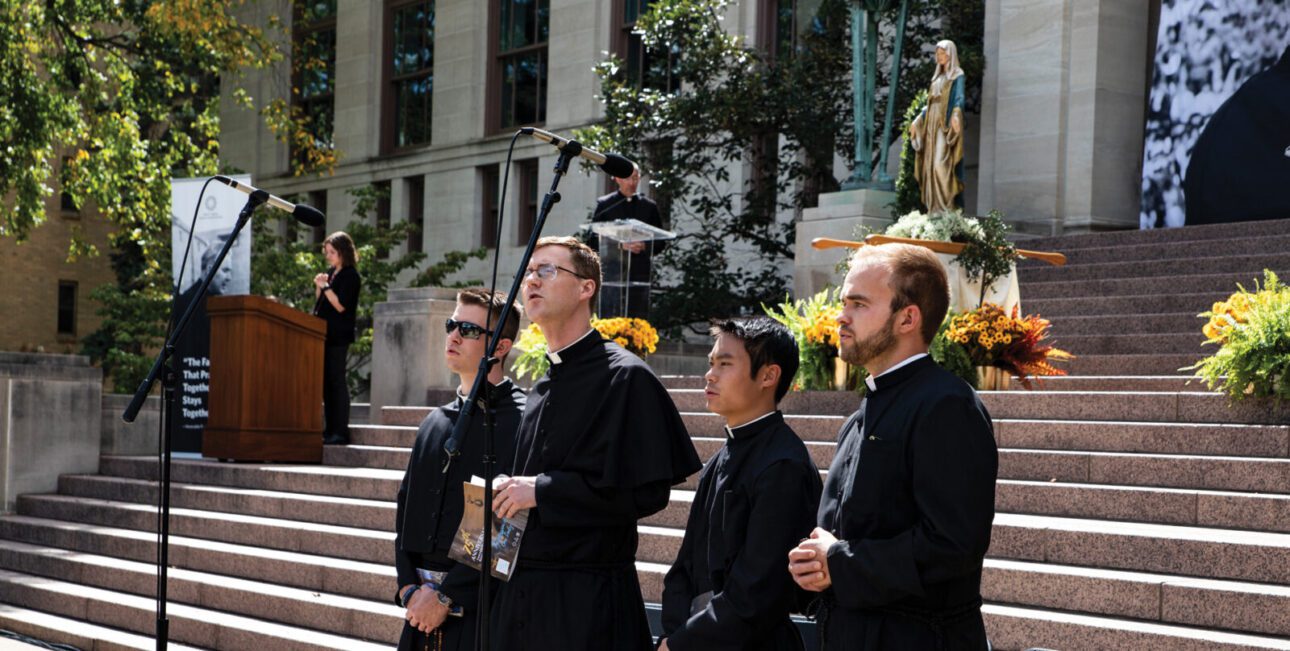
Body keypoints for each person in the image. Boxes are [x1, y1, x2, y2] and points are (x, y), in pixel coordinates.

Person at [488, 236, 701, 650]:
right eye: (528, 272)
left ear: (586, 287)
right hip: (522, 598)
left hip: (587, 603)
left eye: (547, 270)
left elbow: (647, 494)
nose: (532, 280)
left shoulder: (625, 377)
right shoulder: (542, 386)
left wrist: (542, 491)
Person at [788, 243, 998, 650]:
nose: (841, 316)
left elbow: (953, 546)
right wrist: (815, 563)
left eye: (859, 304)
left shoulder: (947, 405)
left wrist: (839, 562)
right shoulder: (860, 416)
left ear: (907, 318)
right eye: (844, 303)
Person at [658, 317, 822, 651]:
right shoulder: (721, 457)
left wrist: (680, 644)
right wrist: (673, 636)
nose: (710, 374)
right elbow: (684, 568)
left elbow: (756, 592)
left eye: (725, 364)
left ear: (768, 376)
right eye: (711, 363)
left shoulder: (783, 464)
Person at [394, 288, 526, 651]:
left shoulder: (523, 421)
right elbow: (405, 509)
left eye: (468, 330)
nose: (453, 336)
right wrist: (408, 587)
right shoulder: (433, 422)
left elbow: (506, 525)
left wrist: (446, 596)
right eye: (451, 325)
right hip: (418, 609)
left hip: (482, 613)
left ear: (501, 347)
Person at [589, 164, 668, 319]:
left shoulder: (649, 207)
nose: (632, 182)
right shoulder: (605, 204)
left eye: (636, 178)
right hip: (612, 271)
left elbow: (661, 242)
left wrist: (644, 245)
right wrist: (618, 245)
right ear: (617, 179)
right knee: (610, 316)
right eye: (627, 178)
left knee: (637, 316)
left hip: (639, 273)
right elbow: (593, 240)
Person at [313, 231, 362, 445]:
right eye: (327, 252)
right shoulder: (331, 273)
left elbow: (341, 305)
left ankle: (340, 431)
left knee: (336, 381)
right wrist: (320, 287)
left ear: (343, 252)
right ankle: (329, 429)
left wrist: (326, 287)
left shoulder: (350, 275)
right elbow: (321, 303)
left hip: (339, 336)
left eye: (332, 252)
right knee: (326, 384)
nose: (328, 256)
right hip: (323, 334)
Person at [909, 40, 967, 213]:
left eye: (943, 54)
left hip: (944, 122)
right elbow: (930, 103)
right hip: (931, 122)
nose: (939, 57)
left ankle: (946, 208)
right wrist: (918, 120)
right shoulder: (936, 78)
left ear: (950, 54)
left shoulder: (957, 74)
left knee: (939, 164)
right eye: (938, 54)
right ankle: (934, 208)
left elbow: (959, 97)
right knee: (929, 166)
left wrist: (956, 113)